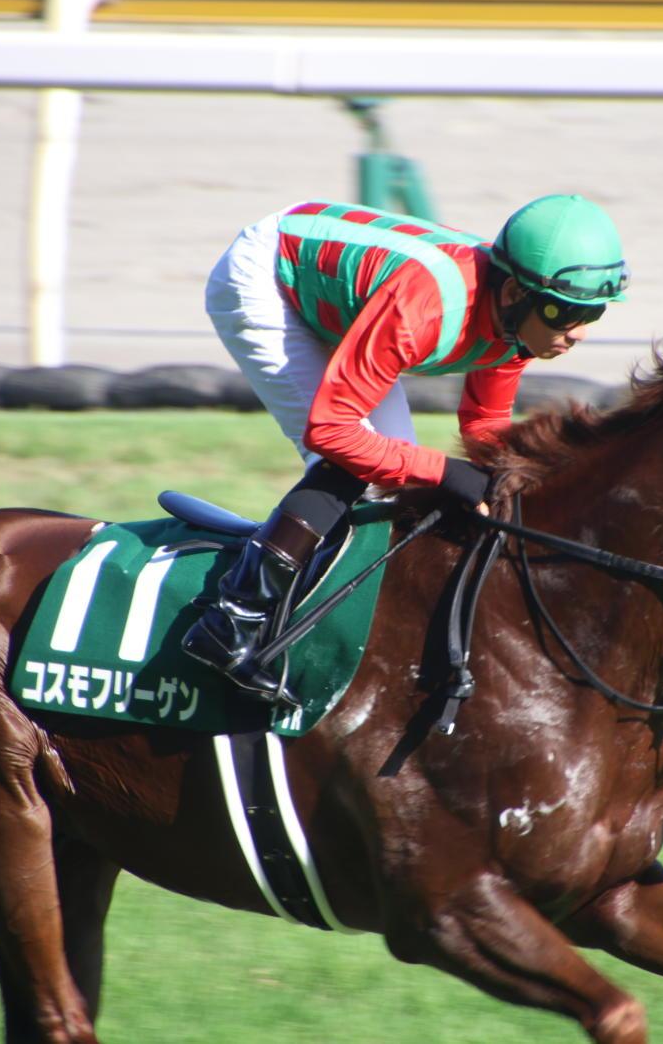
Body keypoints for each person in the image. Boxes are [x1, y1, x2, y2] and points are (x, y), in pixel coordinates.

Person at [181, 194, 629, 702]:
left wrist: (513, 486)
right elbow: (332, 432)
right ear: (512, 293)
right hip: (267, 278)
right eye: (564, 312)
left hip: (345, 297)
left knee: (390, 473)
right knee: (359, 464)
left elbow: (485, 423)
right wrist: (445, 472)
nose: (579, 332)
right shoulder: (428, 307)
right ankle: (231, 621)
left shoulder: (516, 320)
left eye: (593, 312)